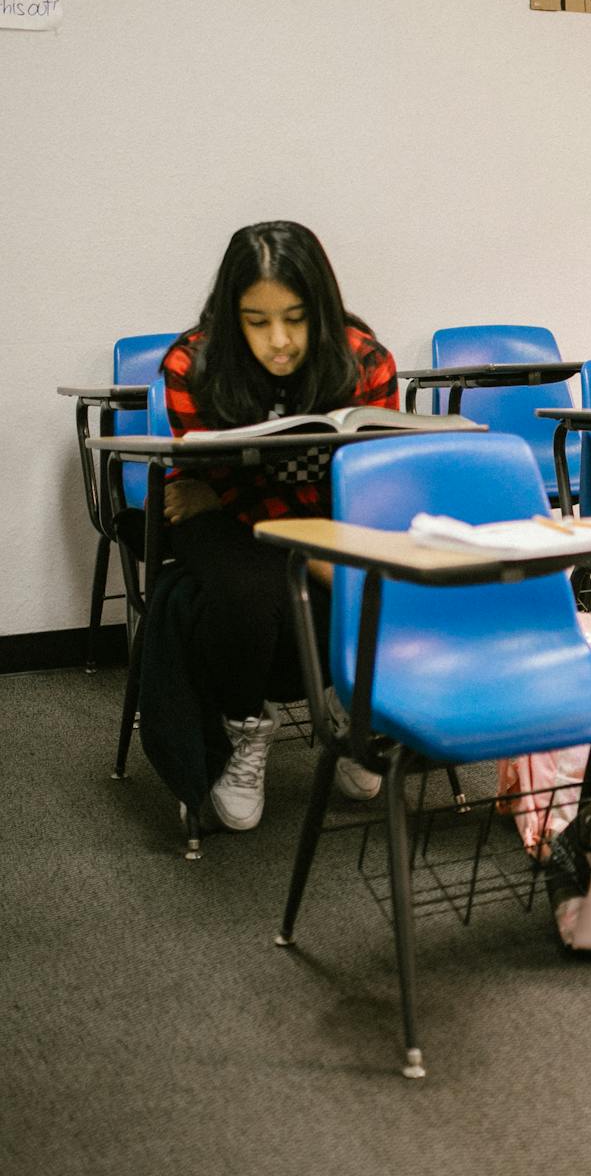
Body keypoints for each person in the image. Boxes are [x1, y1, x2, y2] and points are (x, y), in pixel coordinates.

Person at [159, 220, 399, 829]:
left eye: (296, 318)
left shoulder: (365, 359)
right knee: (252, 591)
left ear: (320, 306)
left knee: (387, 575)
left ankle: (349, 703)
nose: (280, 341)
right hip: (218, 513)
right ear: (230, 314)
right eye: (257, 321)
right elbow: (219, 482)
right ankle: (246, 727)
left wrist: (325, 550)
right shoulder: (193, 362)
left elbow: (376, 478)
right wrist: (318, 556)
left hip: (322, 507)